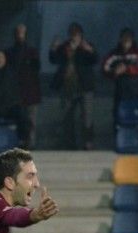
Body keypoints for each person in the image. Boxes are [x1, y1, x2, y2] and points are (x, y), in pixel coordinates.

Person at [49, 22, 97, 150]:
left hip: (85, 86)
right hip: (68, 86)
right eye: (72, 33)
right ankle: (70, 143)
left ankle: (88, 142)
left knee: (87, 116)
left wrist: (90, 50)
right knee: (67, 117)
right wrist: (53, 48)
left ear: (81, 34)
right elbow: (53, 59)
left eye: (76, 33)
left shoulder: (87, 46)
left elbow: (95, 59)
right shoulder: (64, 47)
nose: (74, 36)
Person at [5, 23, 42, 147]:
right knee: (19, 119)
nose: (20, 35)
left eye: (22, 32)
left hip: (31, 91)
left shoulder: (32, 52)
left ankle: (31, 143)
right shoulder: (9, 53)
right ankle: (20, 142)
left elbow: (36, 68)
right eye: (18, 32)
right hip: (16, 92)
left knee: (31, 120)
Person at [102, 28, 138, 122]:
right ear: (120, 39)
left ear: (132, 39)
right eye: (124, 38)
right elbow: (105, 69)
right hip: (121, 94)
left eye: (128, 38)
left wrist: (127, 69)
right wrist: (115, 72)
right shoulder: (114, 54)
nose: (126, 40)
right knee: (119, 118)